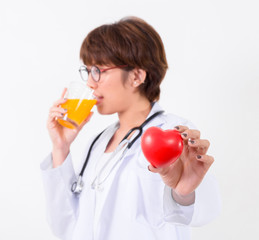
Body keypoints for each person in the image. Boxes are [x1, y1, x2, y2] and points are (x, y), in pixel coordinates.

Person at [41, 16, 221, 240]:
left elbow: (201, 211)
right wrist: (61, 148)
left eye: (98, 70)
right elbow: (66, 227)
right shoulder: (98, 143)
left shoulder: (175, 133)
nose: (90, 82)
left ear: (136, 76)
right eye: (87, 71)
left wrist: (184, 194)